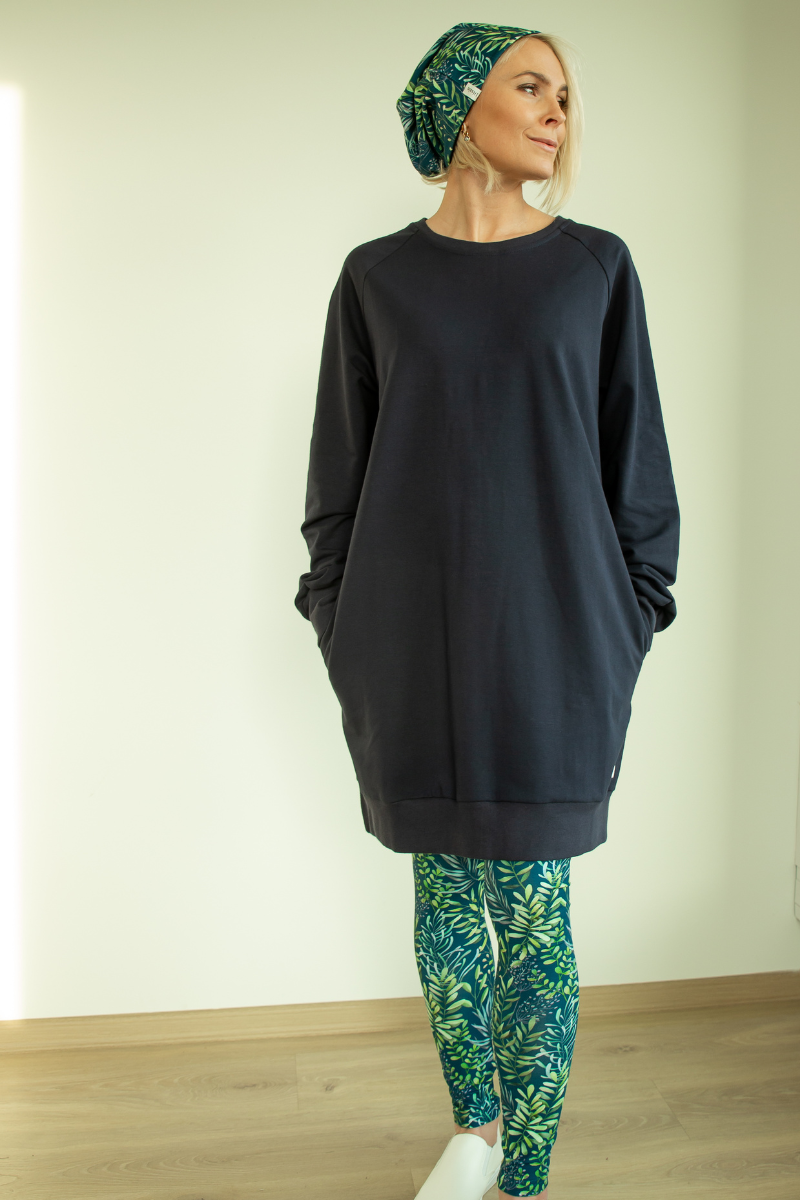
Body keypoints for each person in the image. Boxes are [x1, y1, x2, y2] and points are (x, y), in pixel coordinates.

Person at [294, 21, 680, 1200]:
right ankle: (473, 1136)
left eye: (563, 93)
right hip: (407, 649)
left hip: (557, 647)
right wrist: (338, 616)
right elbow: (338, 477)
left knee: (535, 912)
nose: (557, 111)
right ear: (461, 102)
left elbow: (636, 468)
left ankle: (525, 1176)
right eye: (529, 86)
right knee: (443, 903)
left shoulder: (593, 269)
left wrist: (629, 612)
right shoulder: (376, 278)